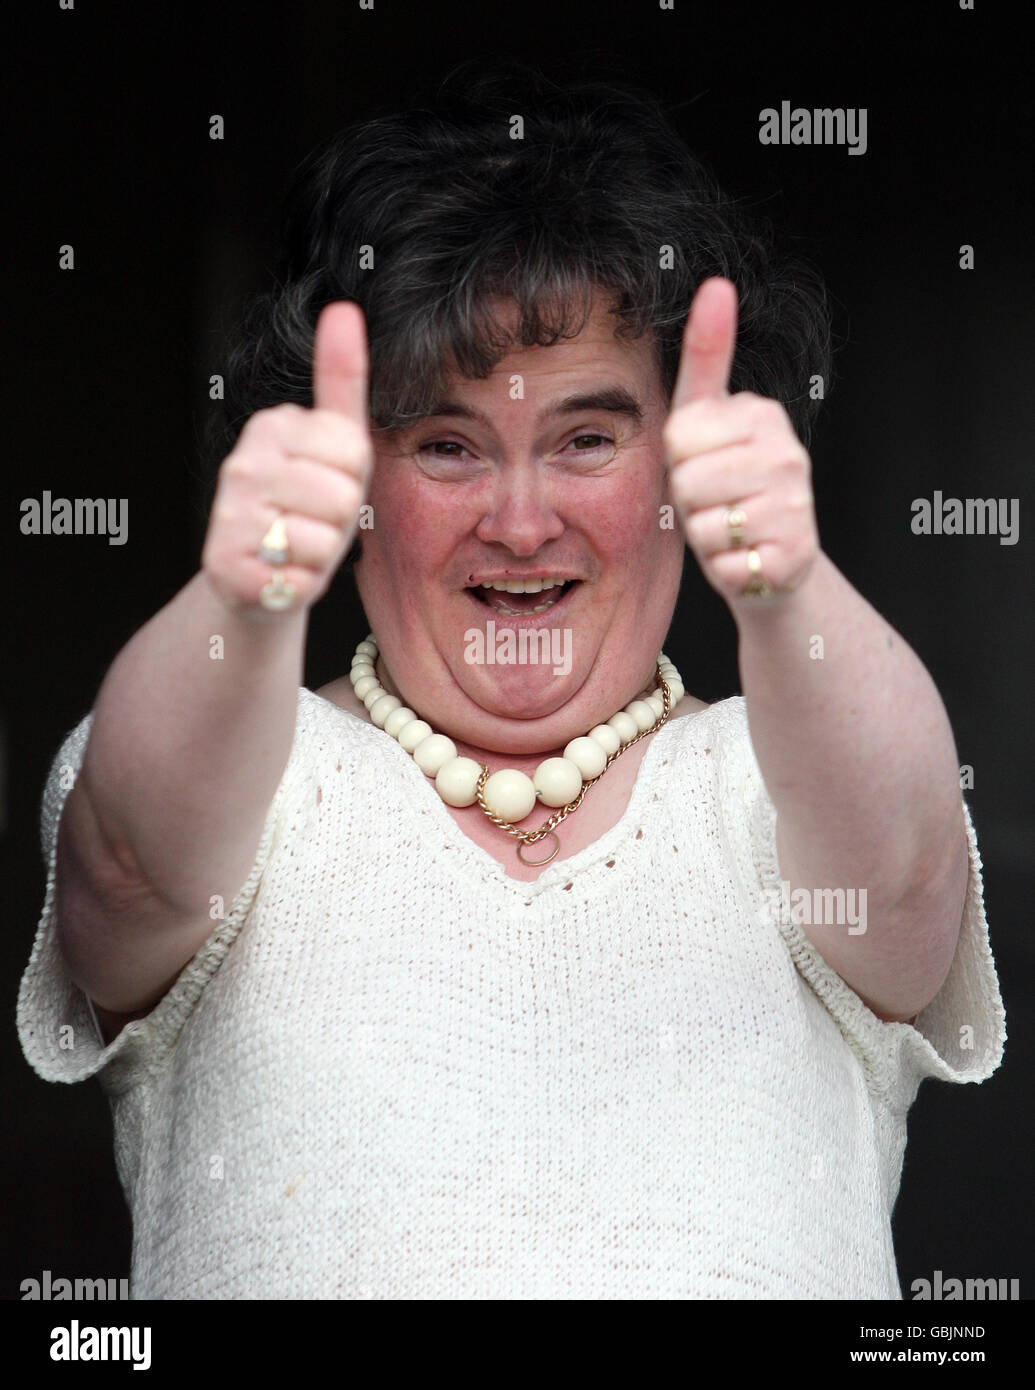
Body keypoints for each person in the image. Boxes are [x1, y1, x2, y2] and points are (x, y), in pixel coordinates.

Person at [18, 64, 1005, 1300]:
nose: (522, 521)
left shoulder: (781, 778)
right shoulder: (244, 765)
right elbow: (126, 874)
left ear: (685, 464)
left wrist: (789, 585)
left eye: (587, 439)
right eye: (444, 444)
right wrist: (242, 602)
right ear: (351, 476)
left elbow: (908, 888)